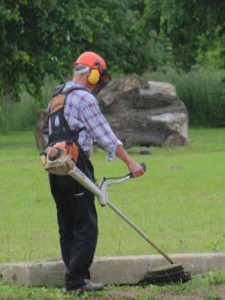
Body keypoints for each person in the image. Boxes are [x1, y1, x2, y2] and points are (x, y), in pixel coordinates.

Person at [47, 51, 145, 293]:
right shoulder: (84, 99)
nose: (98, 83)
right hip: (75, 166)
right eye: (98, 77)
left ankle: (75, 280)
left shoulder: (56, 97)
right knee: (86, 225)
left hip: (54, 166)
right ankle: (77, 281)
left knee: (67, 224)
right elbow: (106, 136)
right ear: (92, 74)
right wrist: (131, 163)